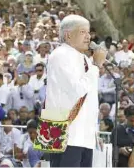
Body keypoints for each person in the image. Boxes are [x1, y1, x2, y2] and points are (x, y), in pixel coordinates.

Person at [45, 15, 107, 167]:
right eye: (83, 32)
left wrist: (94, 132)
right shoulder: (60, 55)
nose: (88, 37)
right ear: (68, 35)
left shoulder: (84, 59)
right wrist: (97, 66)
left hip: (83, 132)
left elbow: (89, 100)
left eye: (88, 32)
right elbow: (77, 90)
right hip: (63, 128)